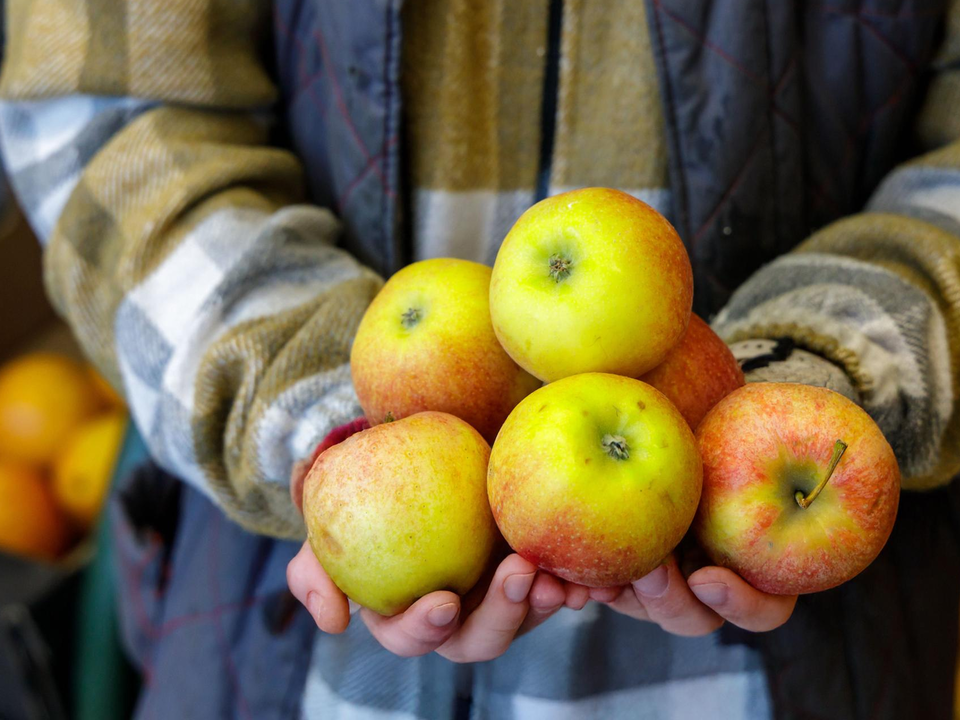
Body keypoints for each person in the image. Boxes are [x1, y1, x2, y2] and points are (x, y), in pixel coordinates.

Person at [2, 0, 959, 718]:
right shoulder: (352, 447)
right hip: (297, 648)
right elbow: (103, 113)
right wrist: (321, 420)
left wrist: (820, 378)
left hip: (807, 652)